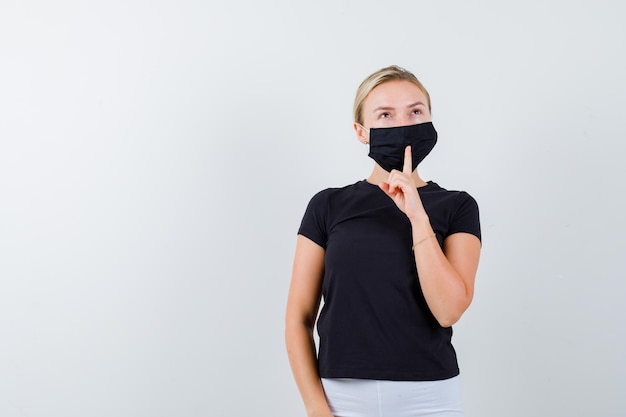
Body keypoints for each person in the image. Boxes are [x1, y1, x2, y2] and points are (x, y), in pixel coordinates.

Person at [285, 65, 482, 417]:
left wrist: (417, 216)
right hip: (340, 398)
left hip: (430, 399)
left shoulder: (458, 206)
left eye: (415, 111)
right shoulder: (328, 205)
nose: (403, 124)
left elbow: (449, 309)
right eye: (385, 115)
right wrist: (317, 408)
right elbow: (298, 318)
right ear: (362, 132)